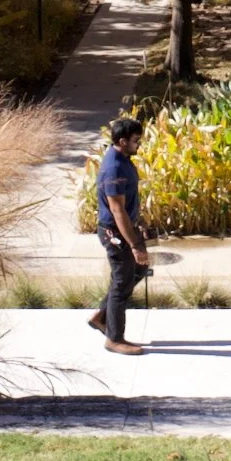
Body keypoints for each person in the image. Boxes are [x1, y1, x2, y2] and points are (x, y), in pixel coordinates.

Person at [87, 117, 148, 355]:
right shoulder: (114, 168)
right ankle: (114, 338)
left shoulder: (122, 160)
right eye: (135, 141)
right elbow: (116, 209)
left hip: (124, 228)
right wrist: (134, 244)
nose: (138, 145)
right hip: (115, 233)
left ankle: (102, 316)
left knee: (138, 270)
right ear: (122, 141)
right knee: (122, 282)